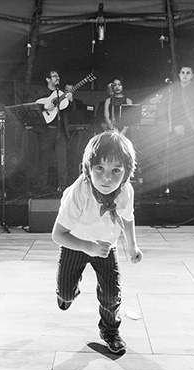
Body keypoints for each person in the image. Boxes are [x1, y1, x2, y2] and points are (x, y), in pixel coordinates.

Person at [52, 130, 143, 354]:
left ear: (127, 173)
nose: (106, 178)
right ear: (88, 169)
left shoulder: (126, 191)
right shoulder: (79, 192)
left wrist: (132, 246)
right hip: (76, 242)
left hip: (105, 246)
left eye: (116, 171)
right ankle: (67, 293)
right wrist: (88, 247)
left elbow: (127, 217)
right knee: (65, 294)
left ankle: (110, 331)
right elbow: (58, 234)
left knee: (111, 295)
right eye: (99, 169)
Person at [30, 70, 71, 192]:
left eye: (58, 75)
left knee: (62, 161)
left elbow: (69, 111)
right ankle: (42, 187)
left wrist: (71, 101)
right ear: (48, 79)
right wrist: (44, 107)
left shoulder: (62, 93)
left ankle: (63, 187)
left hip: (60, 131)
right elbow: (33, 106)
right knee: (43, 161)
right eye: (54, 76)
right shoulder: (41, 93)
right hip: (46, 131)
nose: (58, 77)